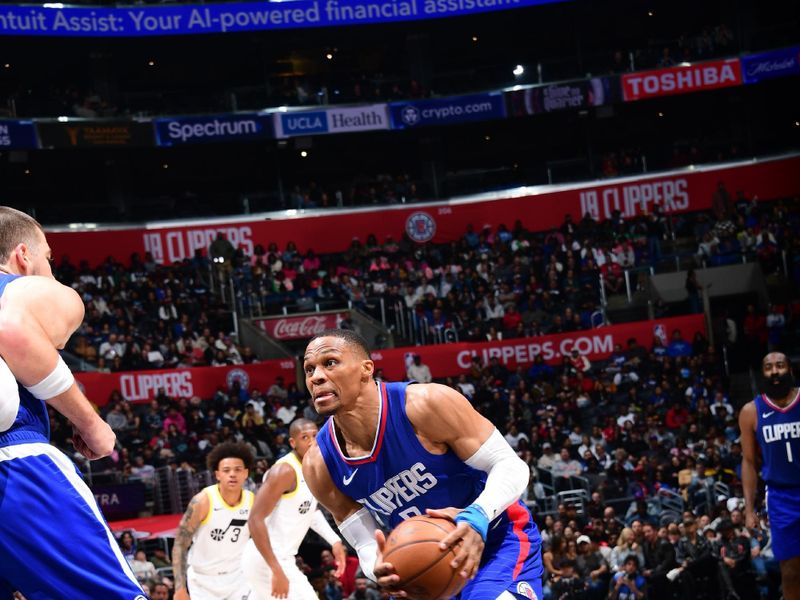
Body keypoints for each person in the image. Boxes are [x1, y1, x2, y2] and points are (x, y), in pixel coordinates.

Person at [301, 329, 543, 599]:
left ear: (366, 369)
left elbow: (510, 465)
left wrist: (478, 516)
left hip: (495, 540)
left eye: (329, 363)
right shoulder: (318, 464)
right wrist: (379, 567)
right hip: (422, 564)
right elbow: (364, 541)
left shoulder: (425, 405)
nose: (317, 377)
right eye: (309, 369)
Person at [0, 206, 146, 598]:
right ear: (23, 256)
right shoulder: (20, 286)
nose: (50, 267)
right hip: (14, 466)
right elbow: (11, 330)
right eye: (48, 257)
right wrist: (91, 424)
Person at [242, 418, 347, 599]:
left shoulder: (312, 467)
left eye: (315, 435)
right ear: (293, 442)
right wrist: (276, 570)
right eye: (304, 437)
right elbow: (254, 519)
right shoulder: (284, 471)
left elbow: (310, 511)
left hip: (281, 558)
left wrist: (335, 541)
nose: (312, 441)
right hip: (268, 559)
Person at [739, 351, 800, 600]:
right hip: (780, 497)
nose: (774, 371)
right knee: (790, 572)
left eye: (780, 365)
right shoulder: (751, 411)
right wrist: (749, 509)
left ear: (790, 370)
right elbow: (750, 462)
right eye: (768, 367)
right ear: (762, 374)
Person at [172, 442, 255, 600]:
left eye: (238, 470)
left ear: (246, 473)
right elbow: (180, 545)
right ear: (217, 474)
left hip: (239, 578)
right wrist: (179, 588)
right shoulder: (202, 501)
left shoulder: (252, 501)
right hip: (203, 582)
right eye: (226, 470)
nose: (232, 474)